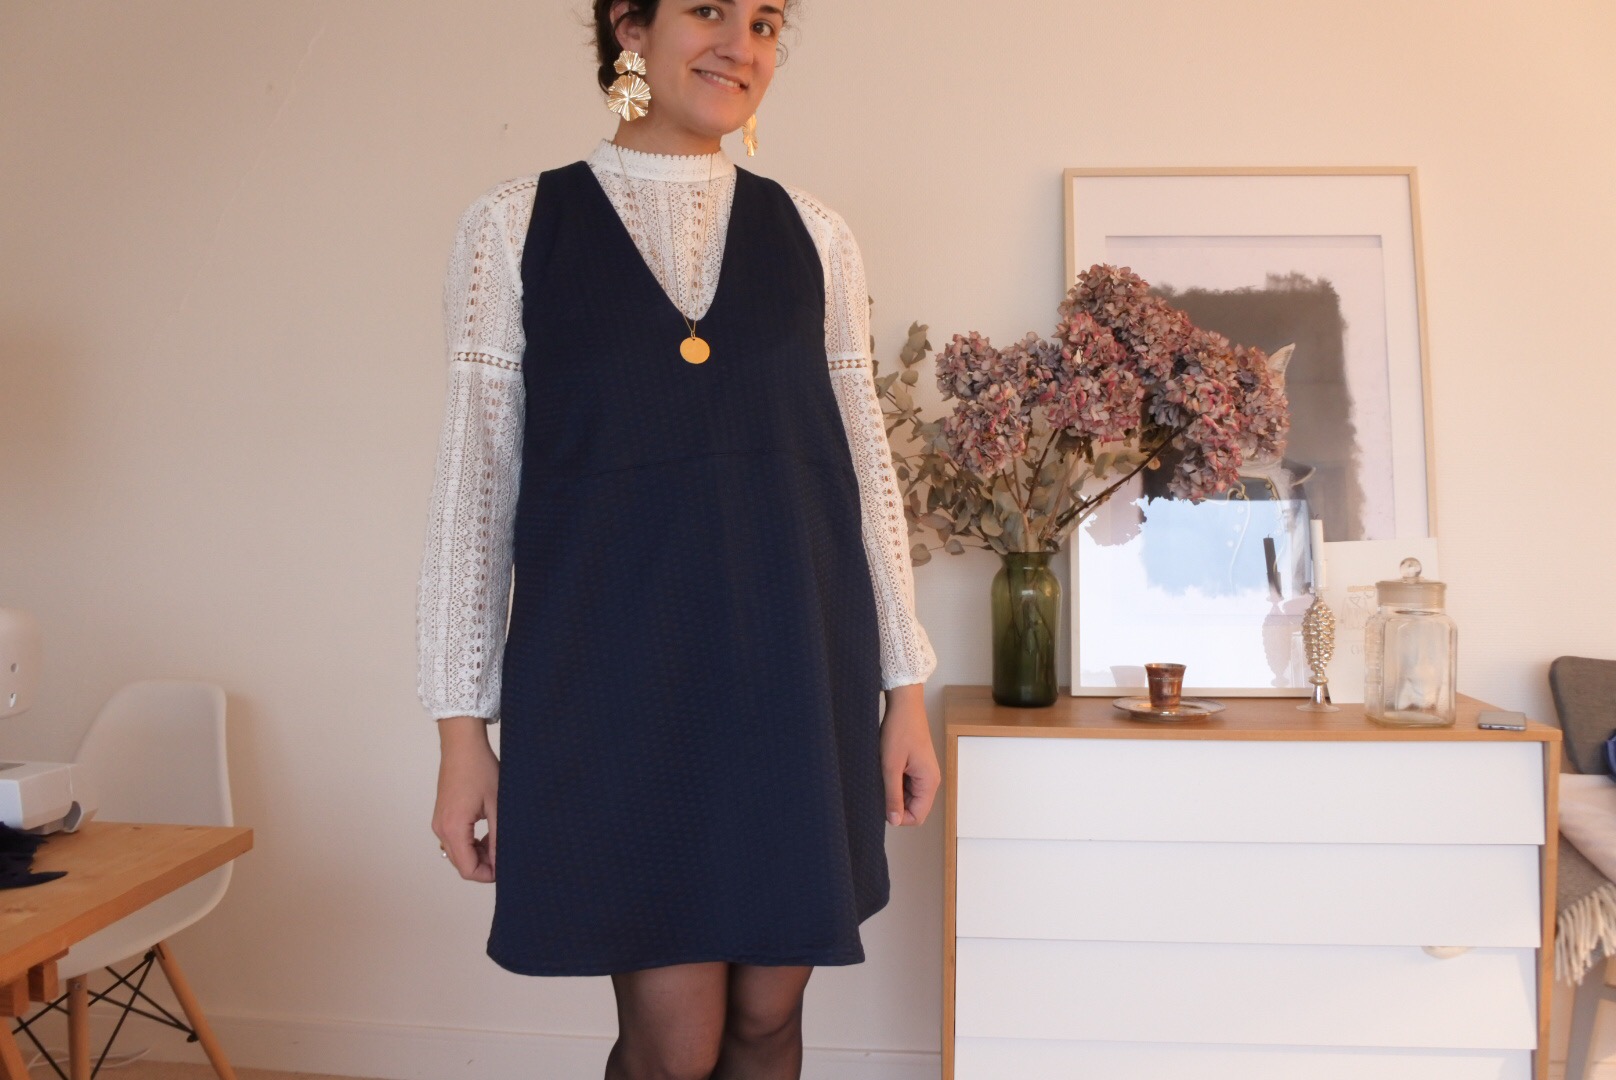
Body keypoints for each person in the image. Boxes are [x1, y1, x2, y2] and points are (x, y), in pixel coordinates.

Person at [416, 2, 940, 1076]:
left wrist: (906, 694)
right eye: (708, 10)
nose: (741, 44)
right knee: (677, 1040)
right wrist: (461, 734)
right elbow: (475, 491)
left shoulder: (816, 234)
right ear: (629, 25)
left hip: (793, 680)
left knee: (767, 1021)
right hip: (615, 689)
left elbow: (864, 476)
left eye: (765, 21)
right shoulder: (514, 226)